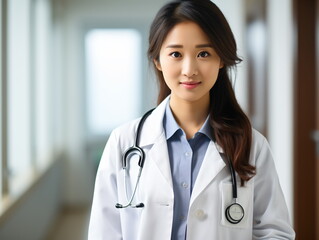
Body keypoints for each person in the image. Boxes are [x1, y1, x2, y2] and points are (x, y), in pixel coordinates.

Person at [88, 0, 295, 239]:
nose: (189, 69)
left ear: (221, 60)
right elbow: (104, 232)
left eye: (203, 53)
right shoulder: (123, 142)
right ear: (157, 60)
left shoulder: (252, 146)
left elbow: (275, 232)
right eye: (176, 53)